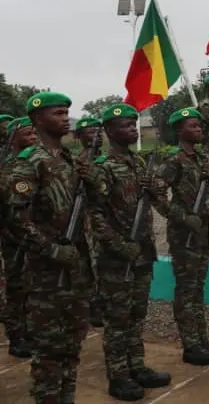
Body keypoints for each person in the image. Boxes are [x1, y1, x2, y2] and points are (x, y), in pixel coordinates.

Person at [7, 92, 93, 403]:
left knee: (72, 346)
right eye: (58, 113)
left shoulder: (69, 160)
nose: (66, 118)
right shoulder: (30, 162)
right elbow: (16, 217)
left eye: (67, 113)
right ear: (38, 119)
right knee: (48, 354)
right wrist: (52, 249)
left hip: (75, 269)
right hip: (46, 275)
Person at [87, 103, 172, 400]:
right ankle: (118, 375)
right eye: (124, 125)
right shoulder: (102, 167)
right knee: (117, 319)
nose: (132, 129)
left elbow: (158, 199)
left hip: (142, 252)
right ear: (109, 131)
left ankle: (137, 365)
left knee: (137, 314)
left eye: (133, 124)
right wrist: (120, 246)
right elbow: (94, 215)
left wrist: (154, 187)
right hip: (117, 257)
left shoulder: (138, 162)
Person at [159, 107, 209, 366]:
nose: (199, 129)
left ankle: (201, 338)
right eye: (192, 126)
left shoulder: (202, 158)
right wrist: (182, 216)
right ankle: (190, 345)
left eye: (200, 125)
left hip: (203, 232)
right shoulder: (173, 160)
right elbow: (157, 194)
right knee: (186, 290)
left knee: (198, 288)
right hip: (184, 235)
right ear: (180, 130)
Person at [0, 116, 36, 359]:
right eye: (27, 134)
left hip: (34, 236)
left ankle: (31, 330)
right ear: (14, 137)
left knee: (34, 286)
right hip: (14, 237)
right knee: (16, 287)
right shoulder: (9, 166)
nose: (33, 137)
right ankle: (16, 336)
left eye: (34, 133)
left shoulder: (35, 162)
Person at [74, 115, 106, 329]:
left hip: (107, 216)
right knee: (93, 262)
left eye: (99, 131)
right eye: (91, 132)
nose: (97, 135)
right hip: (89, 218)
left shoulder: (106, 158)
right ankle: (94, 306)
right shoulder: (79, 162)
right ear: (79, 136)